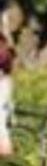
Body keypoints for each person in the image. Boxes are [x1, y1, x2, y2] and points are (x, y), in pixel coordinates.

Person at [0, 30, 14, 159]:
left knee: (1, 116)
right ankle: (5, 146)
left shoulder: (3, 50)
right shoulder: (5, 49)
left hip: (2, 83)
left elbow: (5, 66)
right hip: (5, 82)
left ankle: (5, 147)